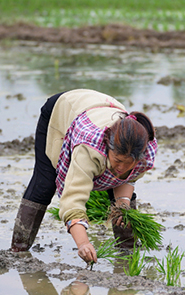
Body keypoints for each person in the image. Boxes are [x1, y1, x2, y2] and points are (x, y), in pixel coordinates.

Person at [11, 89, 158, 262]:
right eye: (117, 160)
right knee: (44, 184)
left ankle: (127, 255)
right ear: (107, 147)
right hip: (63, 109)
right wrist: (83, 243)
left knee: (122, 206)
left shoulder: (145, 152)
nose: (121, 167)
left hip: (100, 107)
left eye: (128, 163)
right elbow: (72, 200)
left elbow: (126, 178)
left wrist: (123, 203)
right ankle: (18, 251)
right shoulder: (89, 149)